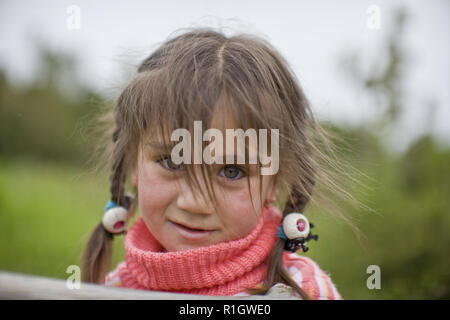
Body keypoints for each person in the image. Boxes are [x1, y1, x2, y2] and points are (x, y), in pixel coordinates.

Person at [81, 28, 352, 299]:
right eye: (172, 162)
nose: (195, 203)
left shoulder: (302, 290)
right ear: (133, 162)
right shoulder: (111, 289)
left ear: (275, 181)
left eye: (232, 171)